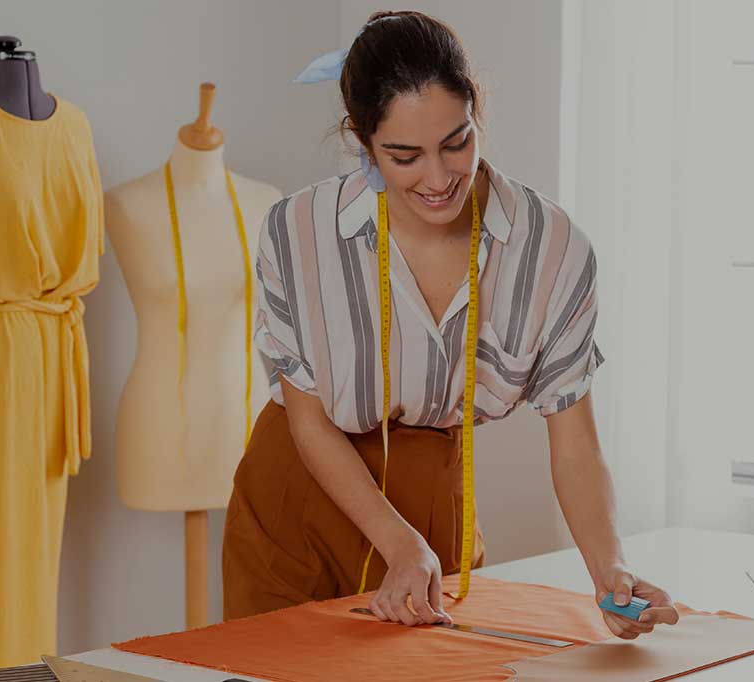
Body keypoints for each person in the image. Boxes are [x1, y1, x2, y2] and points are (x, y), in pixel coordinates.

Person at [221, 10, 679, 641]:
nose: (438, 179)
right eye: (404, 156)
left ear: (475, 111)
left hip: (436, 494)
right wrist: (399, 544)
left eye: (456, 143)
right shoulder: (297, 231)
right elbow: (308, 419)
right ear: (362, 139)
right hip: (299, 494)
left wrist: (611, 573)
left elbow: (575, 441)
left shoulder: (551, 248)